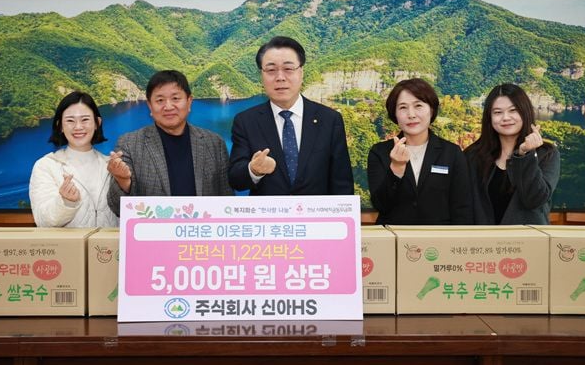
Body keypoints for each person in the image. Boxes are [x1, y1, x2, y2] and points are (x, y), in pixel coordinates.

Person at [228, 36, 354, 195]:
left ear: (301, 72)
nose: (280, 77)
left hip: (316, 211)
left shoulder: (330, 119)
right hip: (269, 211)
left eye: (288, 69)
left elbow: (342, 183)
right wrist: (254, 170)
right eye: (271, 70)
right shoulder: (246, 121)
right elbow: (235, 180)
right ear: (262, 75)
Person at [107, 70, 232, 216]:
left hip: (202, 229)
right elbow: (118, 209)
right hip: (156, 230)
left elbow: (227, 200)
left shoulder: (214, 143)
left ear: (189, 101)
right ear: (150, 106)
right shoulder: (129, 144)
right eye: (160, 100)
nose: (168, 106)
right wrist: (123, 181)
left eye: (175, 98)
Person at [367, 78, 473, 225]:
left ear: (431, 109)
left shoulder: (452, 153)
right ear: (394, 114)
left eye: (418, 106)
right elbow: (380, 205)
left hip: (439, 236)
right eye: (403, 107)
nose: (411, 114)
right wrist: (396, 169)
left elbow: (462, 208)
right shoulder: (380, 152)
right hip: (394, 235)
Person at [465, 83, 560, 225]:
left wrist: (525, 155)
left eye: (513, 110)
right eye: (498, 112)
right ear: (489, 117)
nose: (506, 118)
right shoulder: (473, 155)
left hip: (527, 237)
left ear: (525, 112)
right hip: (482, 238)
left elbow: (534, 200)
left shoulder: (546, 154)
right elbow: (462, 202)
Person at [29, 91, 118, 228]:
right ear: (60, 126)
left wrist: (124, 179)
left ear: (97, 123)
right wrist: (65, 202)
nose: (78, 127)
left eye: (85, 119)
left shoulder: (112, 166)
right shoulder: (46, 166)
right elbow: (43, 221)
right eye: (70, 121)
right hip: (69, 243)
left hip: (108, 242)